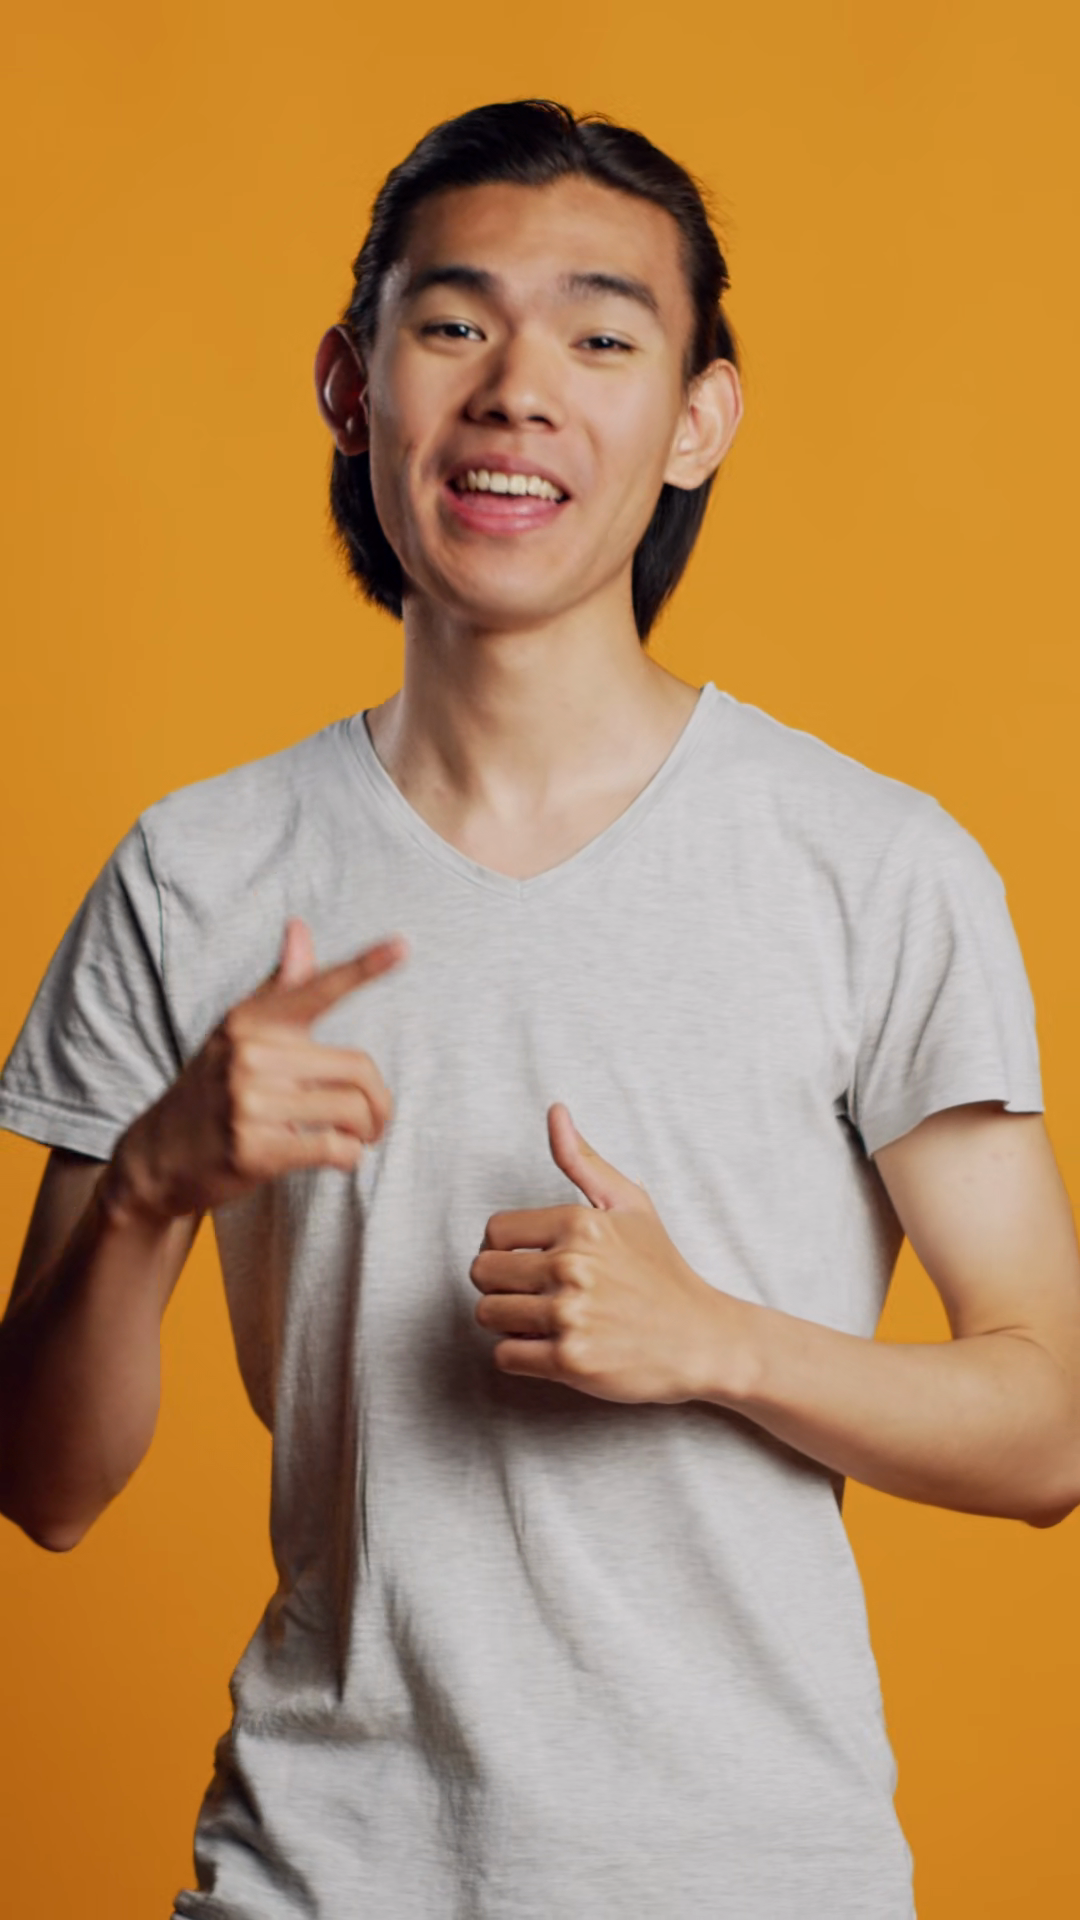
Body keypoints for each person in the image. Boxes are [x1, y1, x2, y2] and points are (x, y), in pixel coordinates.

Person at [1, 98, 1078, 1920]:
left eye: (600, 338)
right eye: (454, 324)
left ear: (698, 419)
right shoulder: (196, 872)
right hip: (313, 1879)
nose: (517, 392)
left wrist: (715, 1340)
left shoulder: (872, 865)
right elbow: (45, 1487)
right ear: (353, 387)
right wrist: (152, 1190)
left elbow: (1050, 1427)